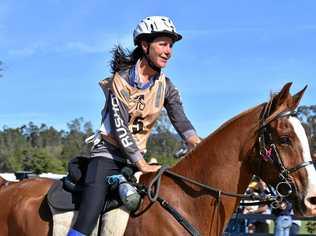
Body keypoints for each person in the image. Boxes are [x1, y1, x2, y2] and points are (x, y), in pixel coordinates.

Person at [67, 16, 201, 236]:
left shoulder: (166, 85)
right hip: (108, 157)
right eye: (162, 44)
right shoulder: (120, 81)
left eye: (171, 45)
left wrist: (195, 141)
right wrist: (141, 163)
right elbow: (120, 127)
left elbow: (180, 118)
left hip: (136, 163)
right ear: (145, 45)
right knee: (88, 216)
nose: (168, 51)